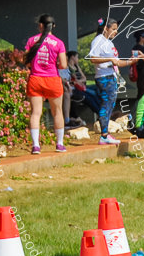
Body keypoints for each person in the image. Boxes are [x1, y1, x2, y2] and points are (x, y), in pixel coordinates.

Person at [24, 14, 68, 153]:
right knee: (57, 112)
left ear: (40, 25)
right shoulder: (59, 43)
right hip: (53, 80)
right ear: (53, 26)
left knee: (35, 113)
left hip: (35, 79)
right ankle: (59, 144)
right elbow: (64, 65)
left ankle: (36, 145)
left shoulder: (32, 40)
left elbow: (25, 59)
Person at [88, 18, 134, 145]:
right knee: (106, 105)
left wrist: (132, 61)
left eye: (116, 29)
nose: (116, 32)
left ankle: (106, 133)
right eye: (113, 29)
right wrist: (109, 59)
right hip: (104, 77)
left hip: (111, 76)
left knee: (110, 105)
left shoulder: (109, 43)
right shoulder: (98, 41)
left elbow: (116, 62)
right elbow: (92, 58)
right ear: (105, 29)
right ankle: (103, 135)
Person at [66, 50, 102, 119]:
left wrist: (79, 81)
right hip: (77, 88)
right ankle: (101, 112)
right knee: (93, 94)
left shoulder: (76, 66)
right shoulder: (68, 67)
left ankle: (102, 110)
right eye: (77, 57)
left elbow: (84, 78)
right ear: (73, 57)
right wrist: (79, 81)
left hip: (82, 86)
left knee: (98, 88)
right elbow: (74, 80)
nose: (78, 59)